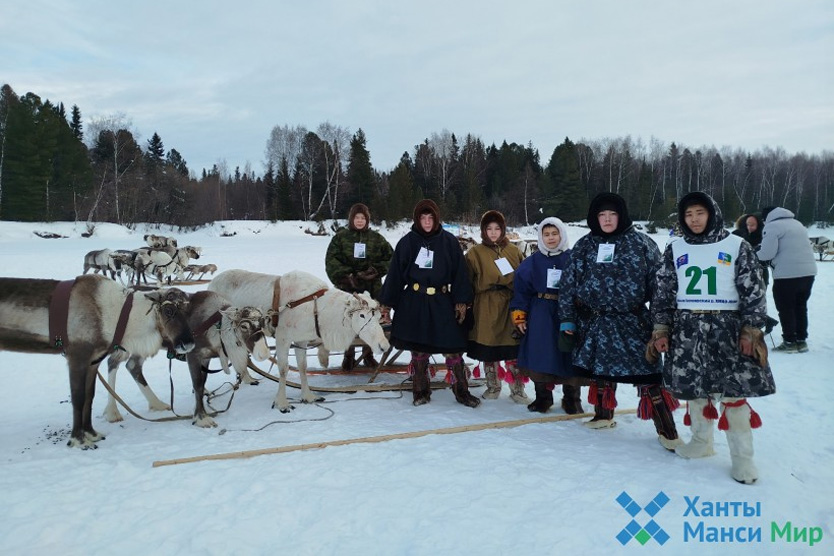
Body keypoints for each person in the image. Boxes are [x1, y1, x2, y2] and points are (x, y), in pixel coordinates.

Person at [650, 192, 775, 484]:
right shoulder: (675, 247)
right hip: (687, 329)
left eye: (699, 213)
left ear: (712, 213)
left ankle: (743, 460)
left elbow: (753, 293)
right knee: (695, 390)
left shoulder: (736, 245)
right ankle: (701, 443)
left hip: (727, 328)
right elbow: (664, 291)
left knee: (733, 394)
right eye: (688, 214)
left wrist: (752, 331)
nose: (694, 219)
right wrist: (661, 329)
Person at [558, 192, 680, 449]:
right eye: (602, 214)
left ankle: (667, 431)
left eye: (612, 214)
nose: (607, 219)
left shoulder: (641, 243)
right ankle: (603, 416)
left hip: (632, 320)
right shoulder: (584, 246)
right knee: (600, 372)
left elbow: (659, 288)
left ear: (621, 215)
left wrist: (661, 325)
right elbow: (568, 285)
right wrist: (567, 319)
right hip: (595, 322)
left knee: (649, 376)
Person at [379, 199, 480, 408]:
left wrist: (461, 302)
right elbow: (395, 274)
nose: (426, 222)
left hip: (442, 300)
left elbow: (460, 273)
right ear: (417, 219)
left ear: (436, 219)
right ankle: (420, 391)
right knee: (419, 350)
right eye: (423, 218)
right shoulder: (407, 242)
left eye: (430, 218)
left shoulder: (449, 242)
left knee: (453, 348)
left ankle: (461, 391)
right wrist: (386, 305)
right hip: (415, 302)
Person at [510, 216, 583, 414]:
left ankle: (571, 398)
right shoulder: (531, 262)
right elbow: (521, 291)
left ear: (562, 234)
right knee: (540, 353)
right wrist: (519, 316)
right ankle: (543, 398)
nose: (551, 238)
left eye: (554, 233)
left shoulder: (573, 259)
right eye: (546, 234)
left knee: (568, 353)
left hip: (567, 311)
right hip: (540, 312)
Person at [465, 210, 529, 403]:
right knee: (488, 346)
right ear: (483, 231)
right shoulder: (475, 253)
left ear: (503, 230)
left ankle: (517, 388)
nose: (493, 232)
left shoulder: (514, 251)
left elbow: (524, 278)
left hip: (510, 303)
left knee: (512, 348)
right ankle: (493, 385)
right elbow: (467, 280)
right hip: (485, 304)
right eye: (489, 228)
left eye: (497, 228)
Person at [325, 203, 394, 370]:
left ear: (367, 220)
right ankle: (348, 355)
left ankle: (368, 354)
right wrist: (347, 276)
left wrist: (376, 270)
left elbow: (391, 258)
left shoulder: (377, 239)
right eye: (357, 217)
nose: (360, 221)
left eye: (363, 218)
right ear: (351, 219)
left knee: (371, 321)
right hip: (348, 290)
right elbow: (331, 261)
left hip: (372, 288)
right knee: (348, 321)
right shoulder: (340, 238)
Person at [756, 206, 817, 353]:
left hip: (787, 275)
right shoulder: (798, 224)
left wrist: (752, 253)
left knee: (786, 308)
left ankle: (789, 341)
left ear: (766, 218)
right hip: (808, 272)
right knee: (800, 306)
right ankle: (801, 341)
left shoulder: (772, 226)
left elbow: (766, 254)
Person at [732, 213, 769, 287]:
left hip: (760, 273)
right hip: (739, 272)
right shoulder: (736, 235)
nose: (749, 227)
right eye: (747, 224)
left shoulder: (765, 236)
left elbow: (767, 257)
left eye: (752, 225)